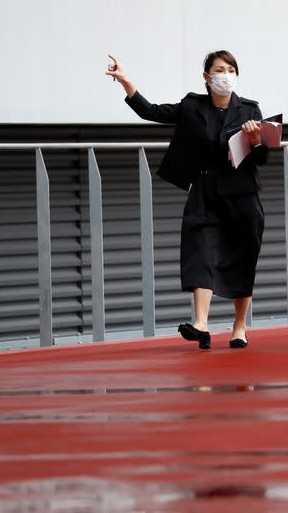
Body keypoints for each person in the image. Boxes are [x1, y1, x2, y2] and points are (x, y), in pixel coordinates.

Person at [105, 50, 267, 350]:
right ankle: (201, 323)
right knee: (200, 252)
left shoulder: (250, 110)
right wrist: (127, 82)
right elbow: (151, 111)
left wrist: (256, 141)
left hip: (242, 193)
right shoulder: (193, 105)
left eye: (231, 69)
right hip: (205, 190)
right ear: (207, 76)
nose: (226, 75)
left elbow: (262, 158)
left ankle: (240, 327)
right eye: (219, 70)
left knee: (244, 257)